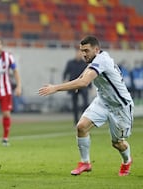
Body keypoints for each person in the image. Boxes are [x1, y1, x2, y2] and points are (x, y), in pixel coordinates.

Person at [38, 36, 133, 176]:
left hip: (120, 106)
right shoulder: (98, 57)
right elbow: (86, 72)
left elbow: (84, 83)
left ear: (96, 49)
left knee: (118, 143)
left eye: (86, 51)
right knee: (81, 127)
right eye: (81, 50)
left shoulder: (102, 60)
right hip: (102, 101)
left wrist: (56, 88)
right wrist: (77, 81)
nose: (83, 54)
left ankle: (127, 161)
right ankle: (85, 163)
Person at [63, 50, 89, 124]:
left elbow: (88, 75)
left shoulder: (85, 64)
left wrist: (89, 86)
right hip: (73, 85)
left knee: (85, 103)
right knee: (74, 104)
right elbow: (65, 72)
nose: (79, 55)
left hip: (83, 85)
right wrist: (65, 80)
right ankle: (76, 121)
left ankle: (84, 120)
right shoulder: (70, 63)